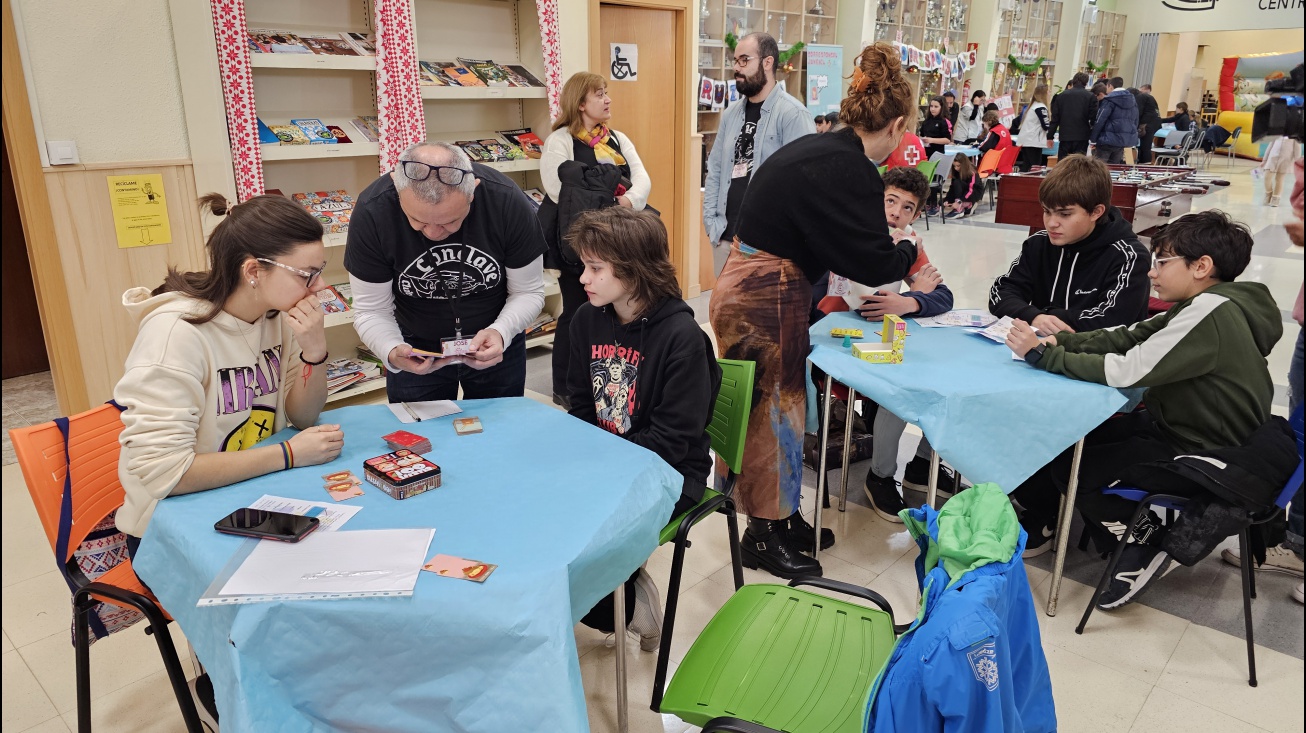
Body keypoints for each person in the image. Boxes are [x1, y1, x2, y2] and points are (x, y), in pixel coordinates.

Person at [115, 193, 345, 730]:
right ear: (253, 270)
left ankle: (301, 688)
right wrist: (286, 454)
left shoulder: (273, 318)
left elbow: (304, 416)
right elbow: (166, 473)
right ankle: (228, 687)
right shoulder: (176, 333)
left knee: (331, 568)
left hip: (246, 496)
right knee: (283, 608)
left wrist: (313, 347)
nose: (316, 288)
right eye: (306, 274)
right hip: (171, 526)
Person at [710, 42, 919, 578]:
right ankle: (763, 535)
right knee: (770, 416)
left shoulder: (825, 152)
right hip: (764, 293)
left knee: (784, 412)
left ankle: (781, 520)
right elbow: (871, 260)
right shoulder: (848, 167)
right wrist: (908, 248)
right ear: (895, 124)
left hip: (754, 286)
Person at [1007, 210, 1287, 607]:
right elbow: (1130, 337)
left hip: (1208, 451)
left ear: (1201, 266)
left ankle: (1147, 543)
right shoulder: (1207, 303)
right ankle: (1130, 526)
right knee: (1068, 445)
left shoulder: (1211, 312)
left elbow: (1128, 368)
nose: (1152, 273)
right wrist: (1062, 344)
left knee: (1079, 469)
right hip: (1181, 427)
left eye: (1162, 262)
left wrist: (1043, 357)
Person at [566, 207, 722, 650]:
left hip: (671, 475)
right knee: (543, 510)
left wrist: (599, 468)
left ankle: (627, 602)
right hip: (609, 465)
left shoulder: (682, 338)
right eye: (584, 266)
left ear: (634, 271)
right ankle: (624, 595)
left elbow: (672, 441)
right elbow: (580, 405)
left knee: (580, 534)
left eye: (596, 268)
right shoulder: (586, 320)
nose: (583, 278)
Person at [345, 141, 547, 403]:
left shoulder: (505, 200)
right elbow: (371, 309)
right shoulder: (373, 210)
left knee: (499, 433)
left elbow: (528, 291)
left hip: (495, 339)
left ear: (473, 191)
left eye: (451, 221)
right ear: (397, 187)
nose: (433, 233)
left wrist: (501, 331)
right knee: (420, 438)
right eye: (417, 220)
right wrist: (392, 349)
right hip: (414, 345)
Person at [830, 167, 956, 520]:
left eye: (907, 207)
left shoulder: (909, 240)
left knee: (942, 375)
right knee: (897, 390)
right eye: (890, 201)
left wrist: (910, 302)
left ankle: (921, 464)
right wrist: (913, 292)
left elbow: (942, 294)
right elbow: (866, 303)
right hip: (832, 339)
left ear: (916, 215)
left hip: (882, 334)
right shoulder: (851, 230)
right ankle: (880, 477)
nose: (896, 212)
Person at [538, 71, 652, 407]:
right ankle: (567, 386)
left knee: (614, 310)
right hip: (576, 239)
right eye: (600, 93)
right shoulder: (559, 140)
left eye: (606, 92)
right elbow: (558, 188)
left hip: (618, 236)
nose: (607, 99)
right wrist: (604, 203)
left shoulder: (617, 138)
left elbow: (641, 176)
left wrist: (628, 201)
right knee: (576, 311)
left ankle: (608, 380)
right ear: (581, 102)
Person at [989, 155, 1149, 337]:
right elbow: (1001, 292)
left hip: (1100, 359)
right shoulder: (1039, 243)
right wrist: (1034, 316)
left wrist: (1045, 315)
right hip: (1039, 350)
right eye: (1046, 211)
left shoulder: (1129, 257)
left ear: (1096, 212)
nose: (1051, 223)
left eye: (1064, 214)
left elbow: (1111, 321)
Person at [703, 32, 815, 279]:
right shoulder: (730, 114)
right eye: (735, 61)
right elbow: (717, 170)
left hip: (768, 247)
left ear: (767, 62)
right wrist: (711, 222)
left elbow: (805, 186)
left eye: (744, 60)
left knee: (758, 317)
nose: (736, 68)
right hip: (725, 238)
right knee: (723, 314)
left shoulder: (794, 115)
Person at [1091, 77, 1139, 164]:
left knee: (1100, 168)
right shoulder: (1132, 100)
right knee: (1114, 168)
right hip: (1122, 141)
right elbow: (1135, 121)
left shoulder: (1109, 100)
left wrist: (1093, 139)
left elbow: (1100, 119)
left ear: (1110, 86)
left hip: (1106, 140)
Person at [1049, 73, 1097, 160]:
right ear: (1086, 83)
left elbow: (1055, 118)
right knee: (1078, 163)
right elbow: (1093, 118)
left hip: (1065, 135)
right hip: (1082, 136)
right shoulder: (1090, 97)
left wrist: (1050, 136)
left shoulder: (1061, 96)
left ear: (1073, 81)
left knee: (1063, 163)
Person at [1015, 84, 1051, 171]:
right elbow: (1046, 125)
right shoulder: (1041, 108)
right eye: (1048, 92)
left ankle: (1022, 182)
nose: (1050, 93)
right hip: (1033, 141)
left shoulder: (1033, 106)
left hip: (1027, 140)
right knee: (1035, 166)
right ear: (1044, 94)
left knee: (1027, 165)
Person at [1258, 135, 1302, 207]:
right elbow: (1270, 146)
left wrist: (1298, 163)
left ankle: (1276, 197)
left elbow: (1297, 151)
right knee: (1267, 177)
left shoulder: (1295, 137)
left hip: (1285, 160)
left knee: (1279, 179)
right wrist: (1264, 160)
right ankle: (1268, 193)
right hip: (1272, 158)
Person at [940, 152, 983, 219]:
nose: (956, 168)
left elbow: (971, 190)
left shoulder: (972, 172)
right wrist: (947, 199)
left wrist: (959, 201)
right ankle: (966, 205)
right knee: (942, 201)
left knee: (957, 183)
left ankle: (966, 205)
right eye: (954, 166)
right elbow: (952, 187)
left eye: (958, 166)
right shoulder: (956, 172)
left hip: (974, 192)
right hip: (963, 190)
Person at [1133, 83, 1162, 164]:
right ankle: (1143, 164)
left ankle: (1144, 165)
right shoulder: (1149, 97)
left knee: (1145, 147)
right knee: (1145, 146)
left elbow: (1138, 112)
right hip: (1154, 123)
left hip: (1147, 125)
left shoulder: (1140, 97)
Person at [918, 96, 953, 160]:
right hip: (925, 153)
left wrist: (931, 140)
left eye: (936, 107)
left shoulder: (944, 121)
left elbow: (947, 140)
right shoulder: (926, 121)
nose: (933, 109)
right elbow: (922, 135)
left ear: (942, 108)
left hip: (938, 154)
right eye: (931, 106)